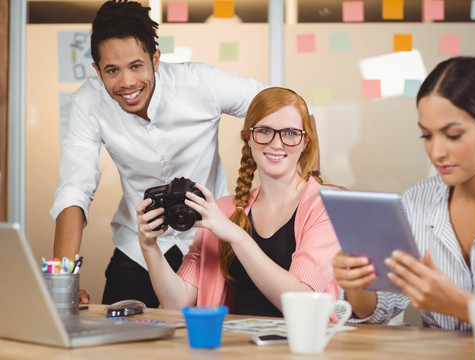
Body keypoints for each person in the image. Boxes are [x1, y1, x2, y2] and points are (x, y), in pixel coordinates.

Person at [49, 0, 270, 307]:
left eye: (136, 66)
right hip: (138, 248)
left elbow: (288, 108)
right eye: (112, 70)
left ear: (155, 59)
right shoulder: (88, 104)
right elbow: (75, 189)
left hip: (208, 242)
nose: (127, 83)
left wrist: (307, 187)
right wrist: (63, 280)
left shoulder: (201, 84)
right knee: (116, 346)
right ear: (97, 71)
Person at [332, 56, 475, 330]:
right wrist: (357, 282)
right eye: (427, 136)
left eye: (452, 135)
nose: (436, 152)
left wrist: (456, 304)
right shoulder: (416, 202)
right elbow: (379, 308)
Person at [137, 87, 340, 316]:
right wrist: (149, 247)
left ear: (305, 142)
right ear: (248, 138)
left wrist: (235, 235)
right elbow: (178, 303)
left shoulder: (328, 205)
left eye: (291, 133)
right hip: (236, 346)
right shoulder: (222, 211)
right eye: (264, 131)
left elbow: (303, 304)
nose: (276, 143)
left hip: (303, 348)